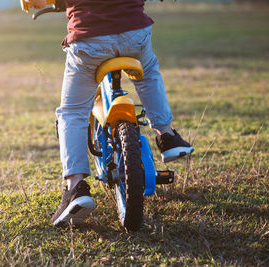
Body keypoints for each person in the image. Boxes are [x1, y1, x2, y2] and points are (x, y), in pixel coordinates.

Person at [25, 0, 194, 227]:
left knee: (73, 112)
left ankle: (76, 188)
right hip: (134, 34)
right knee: (148, 73)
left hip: (90, 39)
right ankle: (166, 135)